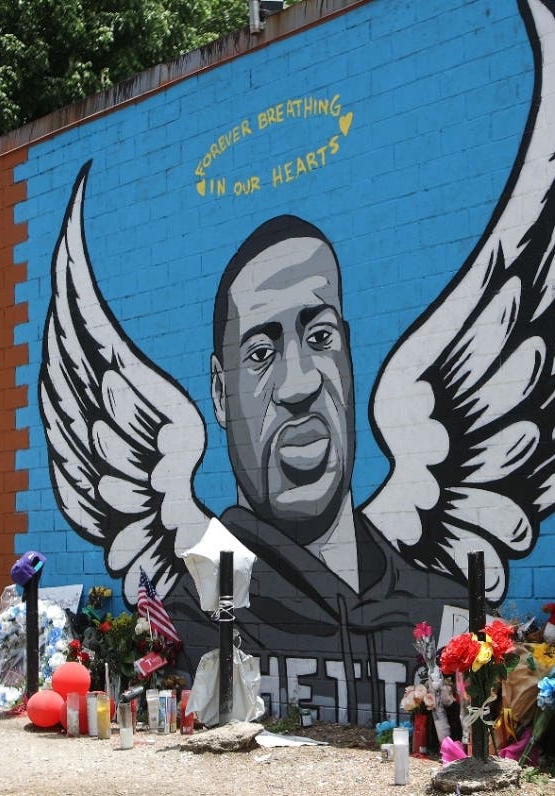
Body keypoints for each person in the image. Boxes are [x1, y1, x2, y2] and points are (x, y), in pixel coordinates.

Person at [171, 216, 468, 723]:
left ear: (349, 355)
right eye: (261, 354)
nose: (299, 384)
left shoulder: (444, 611)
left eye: (320, 336)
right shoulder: (194, 616)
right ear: (220, 394)